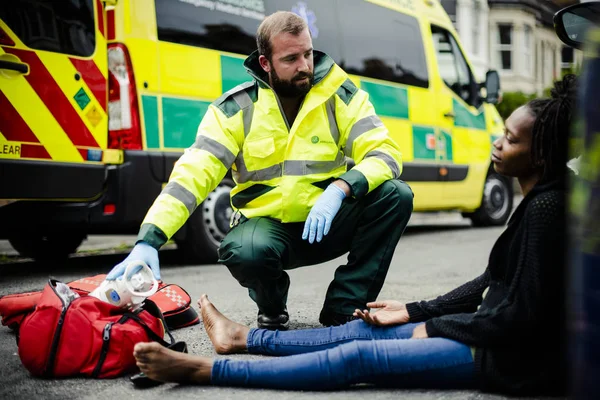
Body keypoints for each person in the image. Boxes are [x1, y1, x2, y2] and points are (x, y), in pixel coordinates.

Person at [132, 75, 577, 396]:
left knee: (359, 357)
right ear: (265, 62)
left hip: (503, 358)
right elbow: (491, 284)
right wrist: (414, 310)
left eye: (510, 139)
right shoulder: (540, 202)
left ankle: (203, 370)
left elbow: (519, 317)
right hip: (484, 334)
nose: (497, 144)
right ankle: (243, 339)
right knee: (361, 331)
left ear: (540, 154)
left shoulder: (546, 209)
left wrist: (435, 326)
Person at [106, 11, 414, 330]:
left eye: (308, 53)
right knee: (244, 250)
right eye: (291, 58)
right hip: (268, 232)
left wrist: (341, 188)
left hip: (326, 223)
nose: (304, 66)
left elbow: (385, 153)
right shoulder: (237, 110)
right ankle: (272, 305)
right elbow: (191, 177)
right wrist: (149, 240)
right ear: (265, 63)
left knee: (396, 195)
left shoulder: (339, 97)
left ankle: (344, 306)